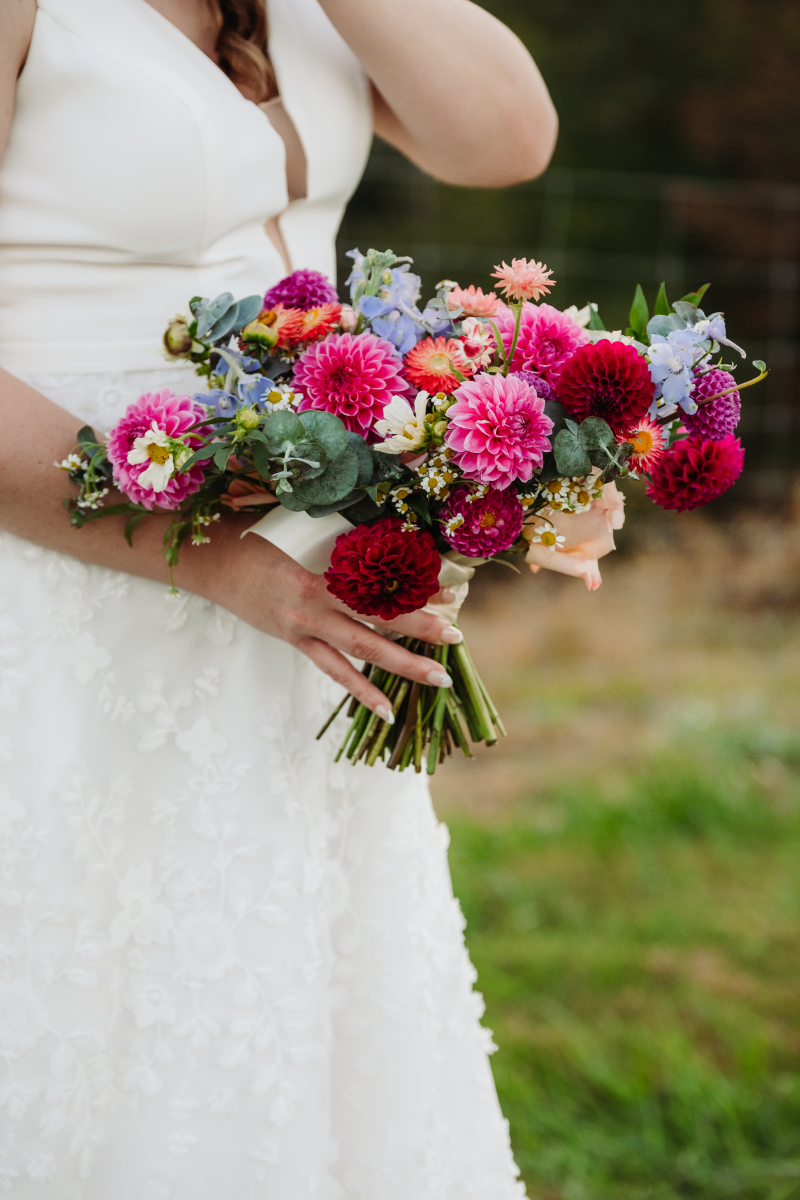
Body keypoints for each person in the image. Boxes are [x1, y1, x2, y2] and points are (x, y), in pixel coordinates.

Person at [0, 1, 557, 1194]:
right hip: (63, 553)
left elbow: (504, 137)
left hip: (295, 566)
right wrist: (218, 566)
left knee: (278, 990)